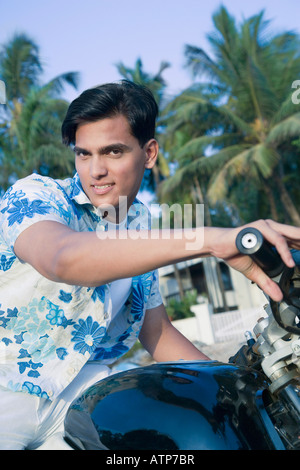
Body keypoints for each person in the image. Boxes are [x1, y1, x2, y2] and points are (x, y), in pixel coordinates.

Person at [0, 80, 299, 450]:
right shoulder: (35, 195)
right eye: (83, 154)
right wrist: (210, 240)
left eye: (112, 152)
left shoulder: (139, 221)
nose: (95, 171)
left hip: (76, 389)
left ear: (150, 153)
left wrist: (243, 392)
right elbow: (62, 258)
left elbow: (156, 330)